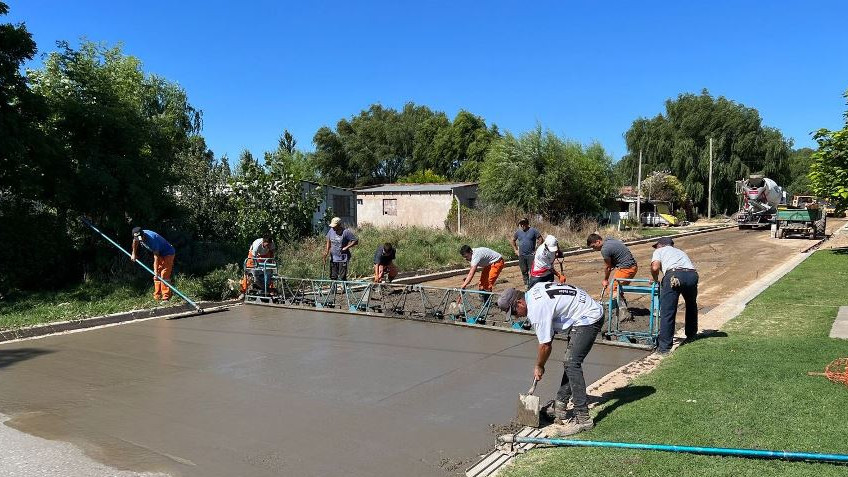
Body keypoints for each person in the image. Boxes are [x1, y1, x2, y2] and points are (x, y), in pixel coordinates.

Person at [497, 283, 604, 436]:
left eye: (514, 312)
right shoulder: (534, 291)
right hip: (582, 312)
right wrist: (541, 363)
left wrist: (539, 365)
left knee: (572, 363)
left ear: (520, 303)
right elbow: (549, 335)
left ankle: (583, 419)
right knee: (570, 362)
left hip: (589, 317)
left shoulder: (536, 310)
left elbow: (545, 345)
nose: (516, 316)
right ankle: (559, 407)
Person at [650, 237, 699, 354]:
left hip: (674, 276)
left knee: (668, 311)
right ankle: (691, 335)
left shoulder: (659, 251)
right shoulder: (680, 251)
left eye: (656, 246)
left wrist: (655, 279)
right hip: (692, 276)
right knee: (691, 305)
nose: (656, 248)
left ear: (660, 245)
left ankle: (664, 348)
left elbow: (655, 267)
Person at [130, 227, 176, 301]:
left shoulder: (152, 239)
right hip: (159, 253)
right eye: (137, 238)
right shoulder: (137, 236)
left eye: (140, 237)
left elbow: (156, 257)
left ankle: (166, 297)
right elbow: (135, 241)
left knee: (164, 275)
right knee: (156, 276)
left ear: (143, 235)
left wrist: (155, 271)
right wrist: (133, 254)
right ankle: (157, 296)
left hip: (168, 253)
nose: (140, 239)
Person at [586, 233, 638, 298]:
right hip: (633, 266)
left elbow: (608, 267)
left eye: (593, 246)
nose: (594, 249)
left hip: (627, 269)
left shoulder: (604, 249)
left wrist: (605, 280)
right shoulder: (609, 239)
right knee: (618, 289)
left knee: (612, 291)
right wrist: (613, 264)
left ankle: (620, 304)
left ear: (598, 242)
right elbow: (616, 253)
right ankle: (620, 303)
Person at [511, 218, 542, 286]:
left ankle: (533, 285)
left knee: (532, 271)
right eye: (521, 224)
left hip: (531, 255)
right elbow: (513, 240)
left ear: (527, 224)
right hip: (521, 255)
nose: (522, 225)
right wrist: (515, 250)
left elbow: (540, 239)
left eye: (524, 223)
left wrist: (537, 250)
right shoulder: (518, 232)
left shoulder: (533, 230)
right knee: (524, 271)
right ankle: (526, 285)